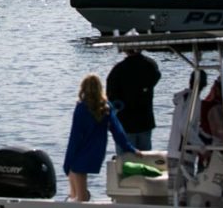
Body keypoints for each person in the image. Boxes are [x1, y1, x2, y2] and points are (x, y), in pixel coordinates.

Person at [64, 73, 138, 202]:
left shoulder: (81, 108)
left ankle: (80, 198)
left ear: (83, 88)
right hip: (97, 152)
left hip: (82, 152)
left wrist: (67, 161)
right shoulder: (106, 107)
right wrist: (131, 149)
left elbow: (74, 137)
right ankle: (80, 197)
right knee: (76, 184)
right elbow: (118, 132)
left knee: (74, 177)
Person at [106, 48, 161, 151]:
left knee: (126, 161)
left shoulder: (118, 69)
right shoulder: (150, 65)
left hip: (125, 123)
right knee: (145, 159)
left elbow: (110, 95)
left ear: (125, 50)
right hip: (145, 120)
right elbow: (157, 76)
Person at [166, 70, 209, 197]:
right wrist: (202, 148)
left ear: (190, 82)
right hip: (182, 156)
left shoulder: (183, 98)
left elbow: (189, 126)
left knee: (175, 195)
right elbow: (185, 126)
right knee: (181, 197)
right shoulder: (194, 100)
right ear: (205, 85)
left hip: (173, 152)